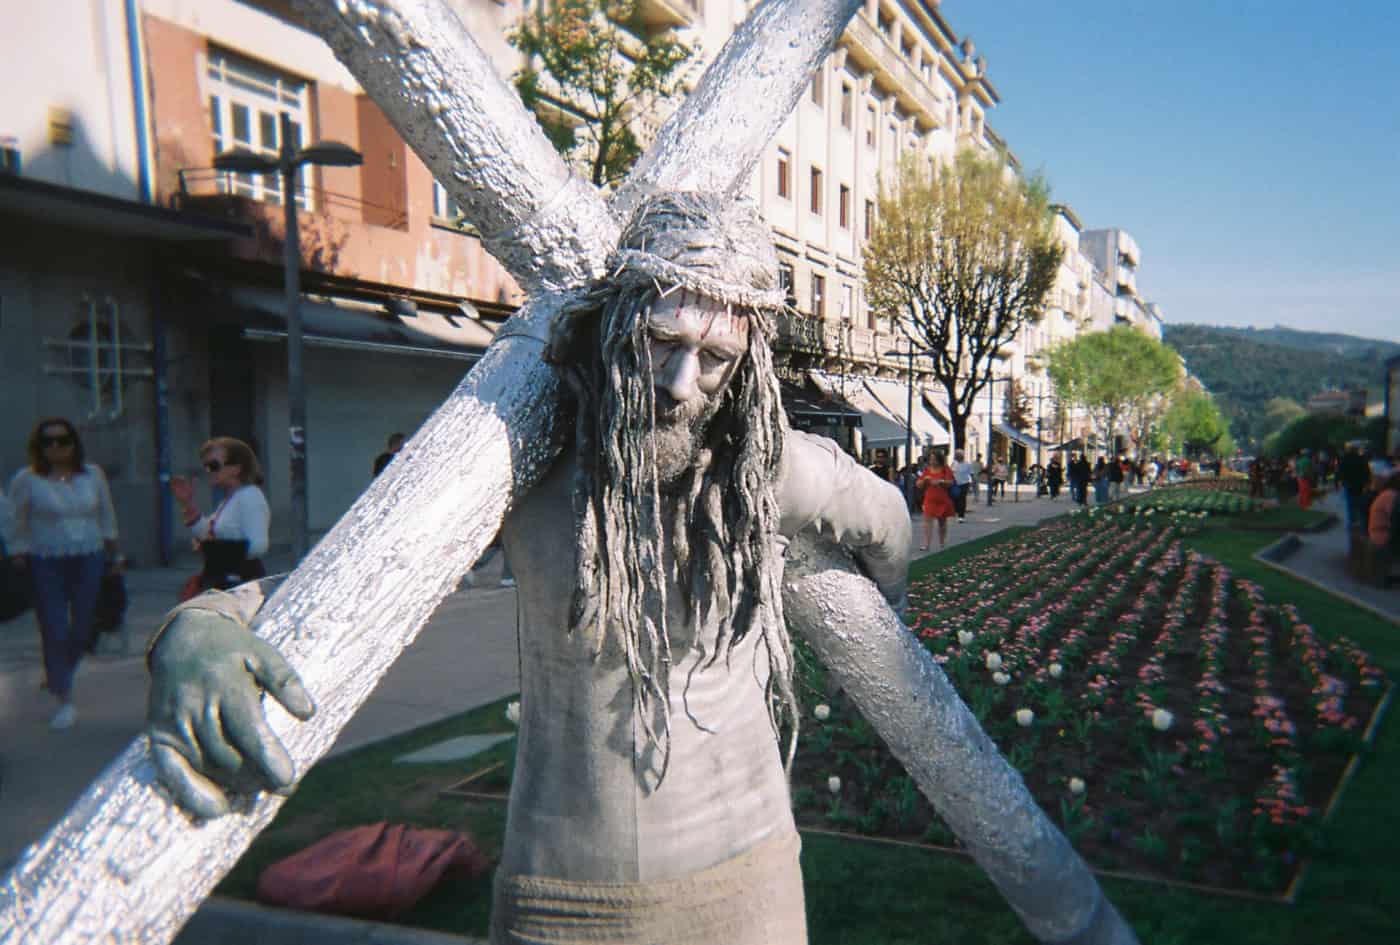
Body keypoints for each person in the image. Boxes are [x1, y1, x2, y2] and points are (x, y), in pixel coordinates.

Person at [144, 193, 913, 944]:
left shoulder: (777, 474)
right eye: (660, 339)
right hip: (566, 900)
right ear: (614, 321)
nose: (681, 384)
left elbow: (892, 524)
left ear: (744, 366)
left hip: (754, 886)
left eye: (714, 359)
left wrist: (874, 622)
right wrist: (202, 626)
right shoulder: (518, 472)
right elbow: (352, 576)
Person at [8, 418, 119, 729]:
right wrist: (17, 551)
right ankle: (64, 697)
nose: (56, 447)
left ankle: (58, 672)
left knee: (83, 625)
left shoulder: (92, 475)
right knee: (55, 626)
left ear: (74, 443)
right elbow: (15, 519)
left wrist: (114, 552)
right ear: (38, 447)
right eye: (48, 442)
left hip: (90, 555)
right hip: (46, 559)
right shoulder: (27, 480)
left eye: (62, 440)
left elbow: (105, 513)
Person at [170, 437, 270, 597]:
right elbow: (208, 533)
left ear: (236, 469)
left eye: (214, 466)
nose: (208, 471)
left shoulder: (250, 496)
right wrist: (187, 504)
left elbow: (259, 545)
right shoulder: (231, 499)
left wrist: (215, 550)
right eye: (206, 466)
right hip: (227, 581)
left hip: (241, 583)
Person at [916, 450, 956, 551]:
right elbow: (918, 484)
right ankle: (926, 544)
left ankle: (942, 542)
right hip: (929, 499)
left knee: (942, 523)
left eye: (934, 459)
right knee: (927, 522)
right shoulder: (927, 470)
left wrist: (941, 482)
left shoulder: (945, 469)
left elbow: (951, 483)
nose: (932, 461)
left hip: (942, 499)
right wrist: (925, 480)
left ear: (939, 460)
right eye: (931, 459)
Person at [1338, 443, 1371, 531]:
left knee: (1349, 506)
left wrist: (1340, 481)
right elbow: (1366, 472)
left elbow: (1340, 471)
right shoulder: (1361, 458)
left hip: (1348, 485)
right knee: (1360, 505)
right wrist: (1366, 482)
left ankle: (1351, 523)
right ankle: (1361, 524)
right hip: (1359, 485)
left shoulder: (1344, 458)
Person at [951, 449, 974, 521]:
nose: (956, 456)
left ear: (962, 456)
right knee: (955, 499)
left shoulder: (967, 464)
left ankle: (961, 516)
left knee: (962, 499)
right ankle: (957, 511)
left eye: (957, 455)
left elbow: (971, 474)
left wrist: (972, 484)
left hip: (964, 484)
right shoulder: (954, 463)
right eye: (956, 455)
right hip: (955, 484)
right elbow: (950, 472)